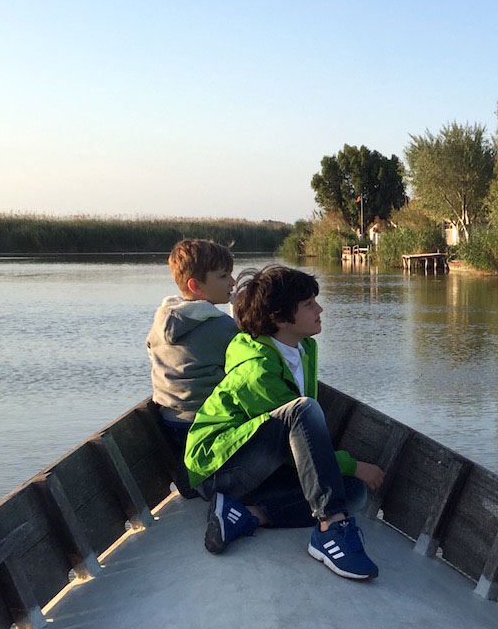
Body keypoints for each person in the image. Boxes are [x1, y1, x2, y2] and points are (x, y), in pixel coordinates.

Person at [184, 265, 384, 581]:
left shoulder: (302, 348)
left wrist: (346, 472)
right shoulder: (258, 369)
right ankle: (331, 529)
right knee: (302, 411)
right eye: (308, 304)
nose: (319, 309)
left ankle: (246, 514)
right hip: (220, 469)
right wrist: (351, 463)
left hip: (261, 467)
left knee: (354, 493)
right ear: (279, 318)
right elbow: (296, 441)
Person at [147, 239, 239, 496]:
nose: (232, 282)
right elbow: (248, 356)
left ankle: (192, 477)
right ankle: (203, 482)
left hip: (171, 423)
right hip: (206, 424)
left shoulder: (163, 319)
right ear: (195, 285)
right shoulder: (221, 326)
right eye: (223, 276)